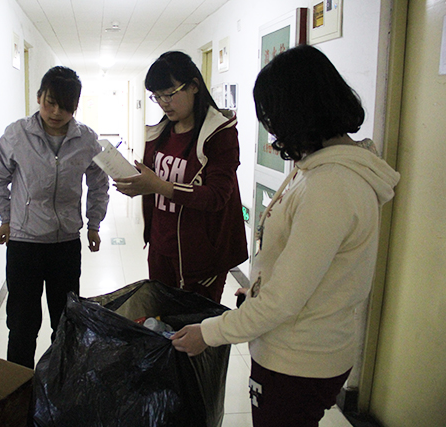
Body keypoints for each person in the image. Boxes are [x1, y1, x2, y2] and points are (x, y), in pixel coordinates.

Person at [170, 45, 401, 426]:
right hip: (306, 347)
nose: (272, 129)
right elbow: (305, 267)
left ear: (298, 112)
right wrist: (258, 288)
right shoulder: (320, 167)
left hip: (297, 360)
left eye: (273, 117)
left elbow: (283, 302)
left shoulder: (331, 186)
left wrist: (208, 333)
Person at [0, 66, 109, 369]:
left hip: (65, 244)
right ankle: (18, 389)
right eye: (50, 103)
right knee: (22, 324)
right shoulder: (17, 134)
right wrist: (5, 217)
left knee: (66, 323)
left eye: (65, 107)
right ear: (39, 96)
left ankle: (59, 385)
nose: (56, 112)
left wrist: (94, 224)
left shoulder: (86, 140)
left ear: (76, 106)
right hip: (24, 243)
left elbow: (99, 183)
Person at [114, 51, 247, 303]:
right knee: (160, 319)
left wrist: (159, 186)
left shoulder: (219, 133)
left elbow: (217, 196)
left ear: (194, 86)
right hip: (161, 247)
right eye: (157, 96)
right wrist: (140, 184)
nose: (163, 103)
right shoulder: (161, 132)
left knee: (193, 324)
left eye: (169, 94)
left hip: (200, 255)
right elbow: (156, 183)